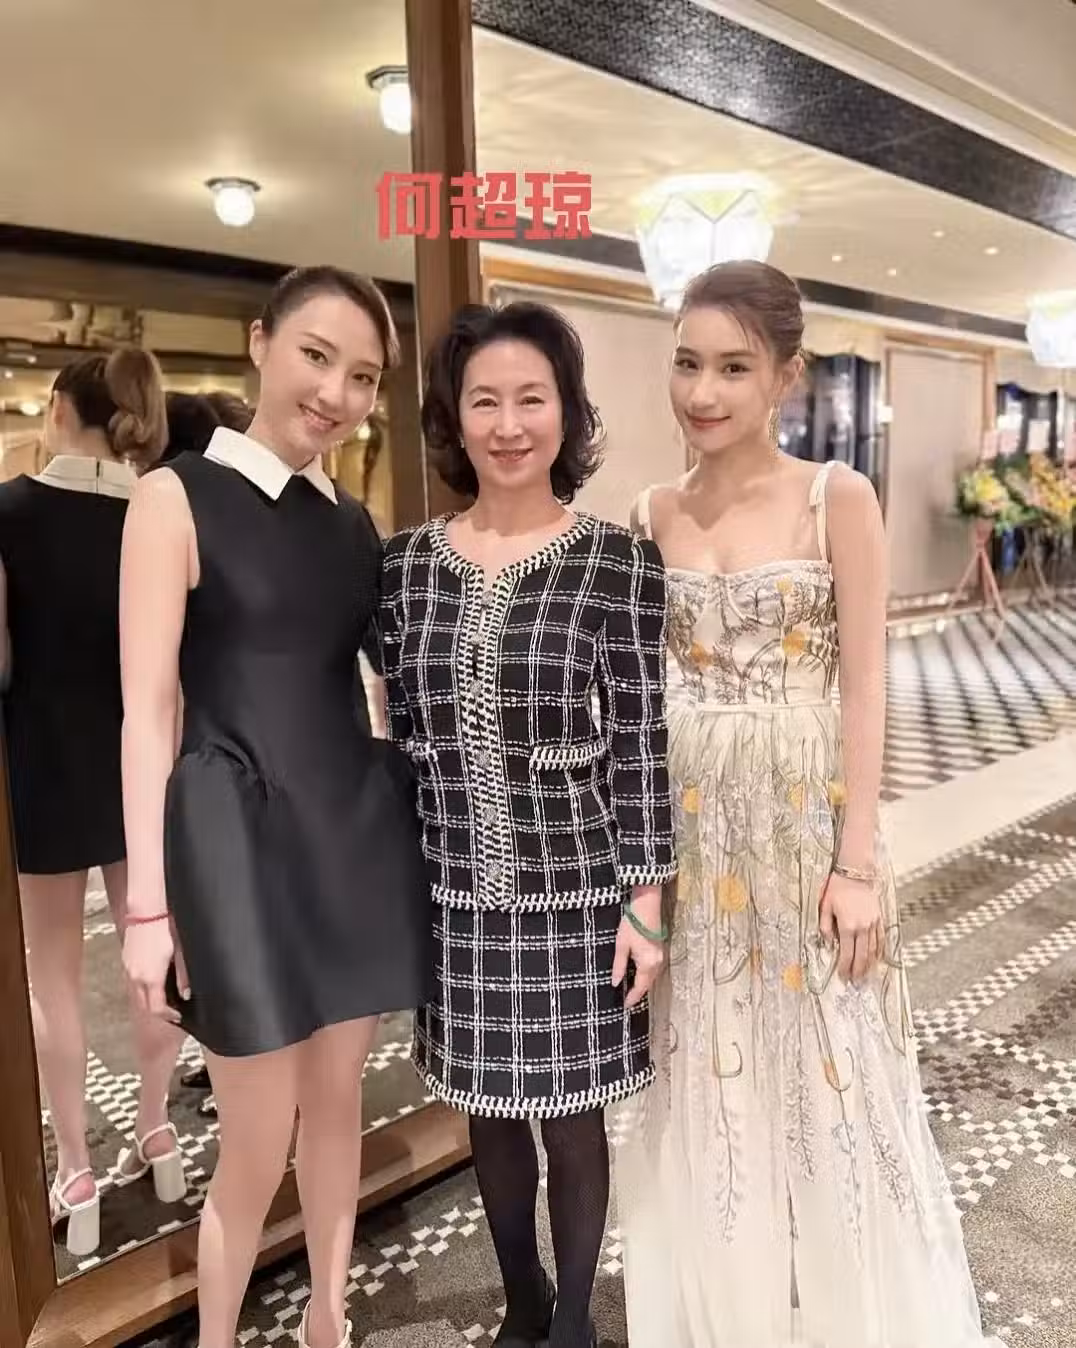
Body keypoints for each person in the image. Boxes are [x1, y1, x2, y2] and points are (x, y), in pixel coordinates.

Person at [616, 260, 1003, 1348]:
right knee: (712, 1067)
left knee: (835, 1071)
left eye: (734, 368)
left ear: (785, 375)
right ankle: (730, 1311)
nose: (703, 392)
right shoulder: (649, 512)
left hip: (803, 826)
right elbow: (638, 697)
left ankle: (850, 1315)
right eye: (687, 364)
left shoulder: (837, 495)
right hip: (694, 829)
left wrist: (856, 861)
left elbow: (867, 685)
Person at [119, 265, 430, 1348]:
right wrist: (146, 908)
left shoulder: (353, 525)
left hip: (346, 831)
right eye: (316, 356)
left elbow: (379, 687)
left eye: (363, 377)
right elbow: (146, 713)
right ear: (260, 343)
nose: (336, 393)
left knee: (340, 1104)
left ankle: (327, 1320)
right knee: (254, 1137)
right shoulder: (173, 498)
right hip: (231, 841)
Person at [380, 301, 676, 1348]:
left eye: (531, 399)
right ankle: (521, 1303)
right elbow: (390, 726)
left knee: (571, 1116)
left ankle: (575, 1320)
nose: (508, 424)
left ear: (567, 412)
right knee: (489, 1111)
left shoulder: (617, 561)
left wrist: (645, 904)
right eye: (484, 402)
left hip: (577, 889)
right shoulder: (403, 567)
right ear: (453, 419)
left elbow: (640, 740)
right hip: (452, 889)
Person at [0, 348, 186, 1258]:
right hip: (139, 763)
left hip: (41, 762)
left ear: (58, 410)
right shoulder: (158, 510)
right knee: (152, 954)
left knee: (55, 976)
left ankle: (74, 1167)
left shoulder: (10, 511)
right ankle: (157, 1128)